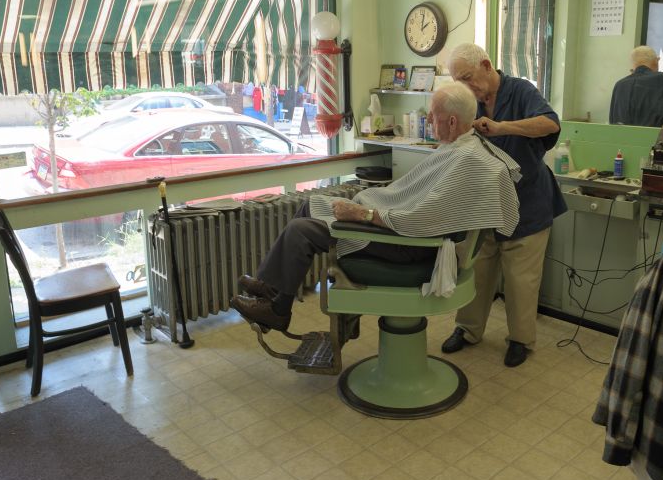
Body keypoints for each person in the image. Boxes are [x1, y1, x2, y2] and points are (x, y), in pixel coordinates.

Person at [230, 83, 521, 332]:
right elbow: (416, 198)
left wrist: (362, 214)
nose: (429, 120)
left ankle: (278, 311)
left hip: (409, 243)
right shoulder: (461, 147)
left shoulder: (467, 159)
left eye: (433, 115)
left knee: (300, 230)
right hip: (404, 230)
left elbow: (421, 218)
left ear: (453, 122)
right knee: (312, 203)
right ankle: (270, 289)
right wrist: (368, 203)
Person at [441, 42, 566, 368]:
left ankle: (521, 340)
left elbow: (551, 124)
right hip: (486, 204)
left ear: (485, 64)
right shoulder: (470, 102)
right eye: (459, 81)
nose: (466, 87)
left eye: (468, 77)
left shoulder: (521, 91)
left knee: (520, 280)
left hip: (528, 203)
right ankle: (467, 330)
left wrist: (502, 128)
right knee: (476, 272)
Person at [609, 46, 663, 127]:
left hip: (622, 138)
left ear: (633, 64)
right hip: (658, 137)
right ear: (657, 61)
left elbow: (613, 120)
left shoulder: (619, 85)